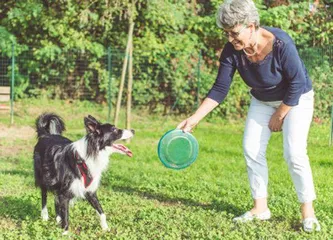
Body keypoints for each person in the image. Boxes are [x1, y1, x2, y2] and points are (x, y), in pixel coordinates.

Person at [177, 0, 320, 232]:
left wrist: (281, 114)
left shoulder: (280, 43)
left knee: (294, 153)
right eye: (226, 34)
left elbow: (297, 82)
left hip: (296, 99)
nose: (231, 39)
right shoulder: (232, 52)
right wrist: (194, 118)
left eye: (234, 33)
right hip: (263, 99)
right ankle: (260, 208)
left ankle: (308, 213)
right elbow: (220, 88)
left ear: (251, 25)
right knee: (251, 149)